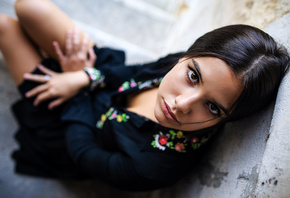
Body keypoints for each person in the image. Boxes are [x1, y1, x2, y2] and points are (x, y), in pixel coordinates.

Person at [0, 0, 289, 191]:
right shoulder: (178, 61)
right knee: (29, 7)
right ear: (188, 54)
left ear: (230, 117)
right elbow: (131, 73)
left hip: (72, 125)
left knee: (4, 27)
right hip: (97, 79)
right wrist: (85, 75)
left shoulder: (152, 167)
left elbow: (83, 153)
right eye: (193, 76)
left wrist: (74, 91)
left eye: (212, 107)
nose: (181, 104)